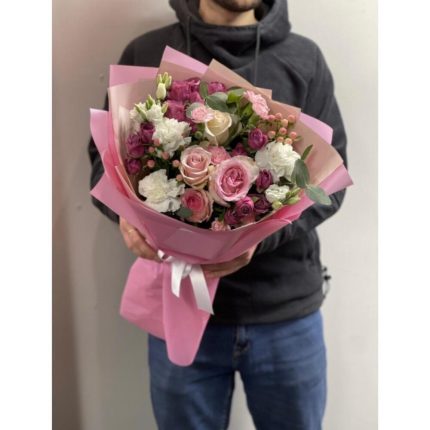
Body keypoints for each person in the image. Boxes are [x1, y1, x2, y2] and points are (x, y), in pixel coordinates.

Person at [88, 0, 348, 429]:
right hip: (178, 305)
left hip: (284, 313)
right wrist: (125, 216)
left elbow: (330, 184)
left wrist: (259, 237)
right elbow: (104, 163)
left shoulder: (305, 59)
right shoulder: (147, 53)